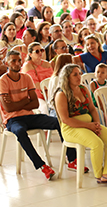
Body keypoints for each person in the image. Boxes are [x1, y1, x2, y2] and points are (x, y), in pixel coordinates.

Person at [0, 51, 79, 180]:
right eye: (13, 61)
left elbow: (35, 103)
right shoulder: (2, 81)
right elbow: (8, 108)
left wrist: (17, 103)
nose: (17, 63)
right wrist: (26, 101)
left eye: (19, 60)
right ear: (6, 63)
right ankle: (42, 166)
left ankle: (71, 159)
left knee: (60, 122)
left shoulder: (26, 78)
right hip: (12, 119)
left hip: (30, 116)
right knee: (20, 131)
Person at [55, 64, 107, 185]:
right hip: (71, 128)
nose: (79, 76)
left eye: (80, 73)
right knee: (96, 143)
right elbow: (66, 120)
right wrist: (89, 126)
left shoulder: (83, 89)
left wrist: (96, 124)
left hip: (88, 123)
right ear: (67, 77)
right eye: (75, 74)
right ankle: (99, 175)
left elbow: (92, 109)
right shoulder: (61, 94)